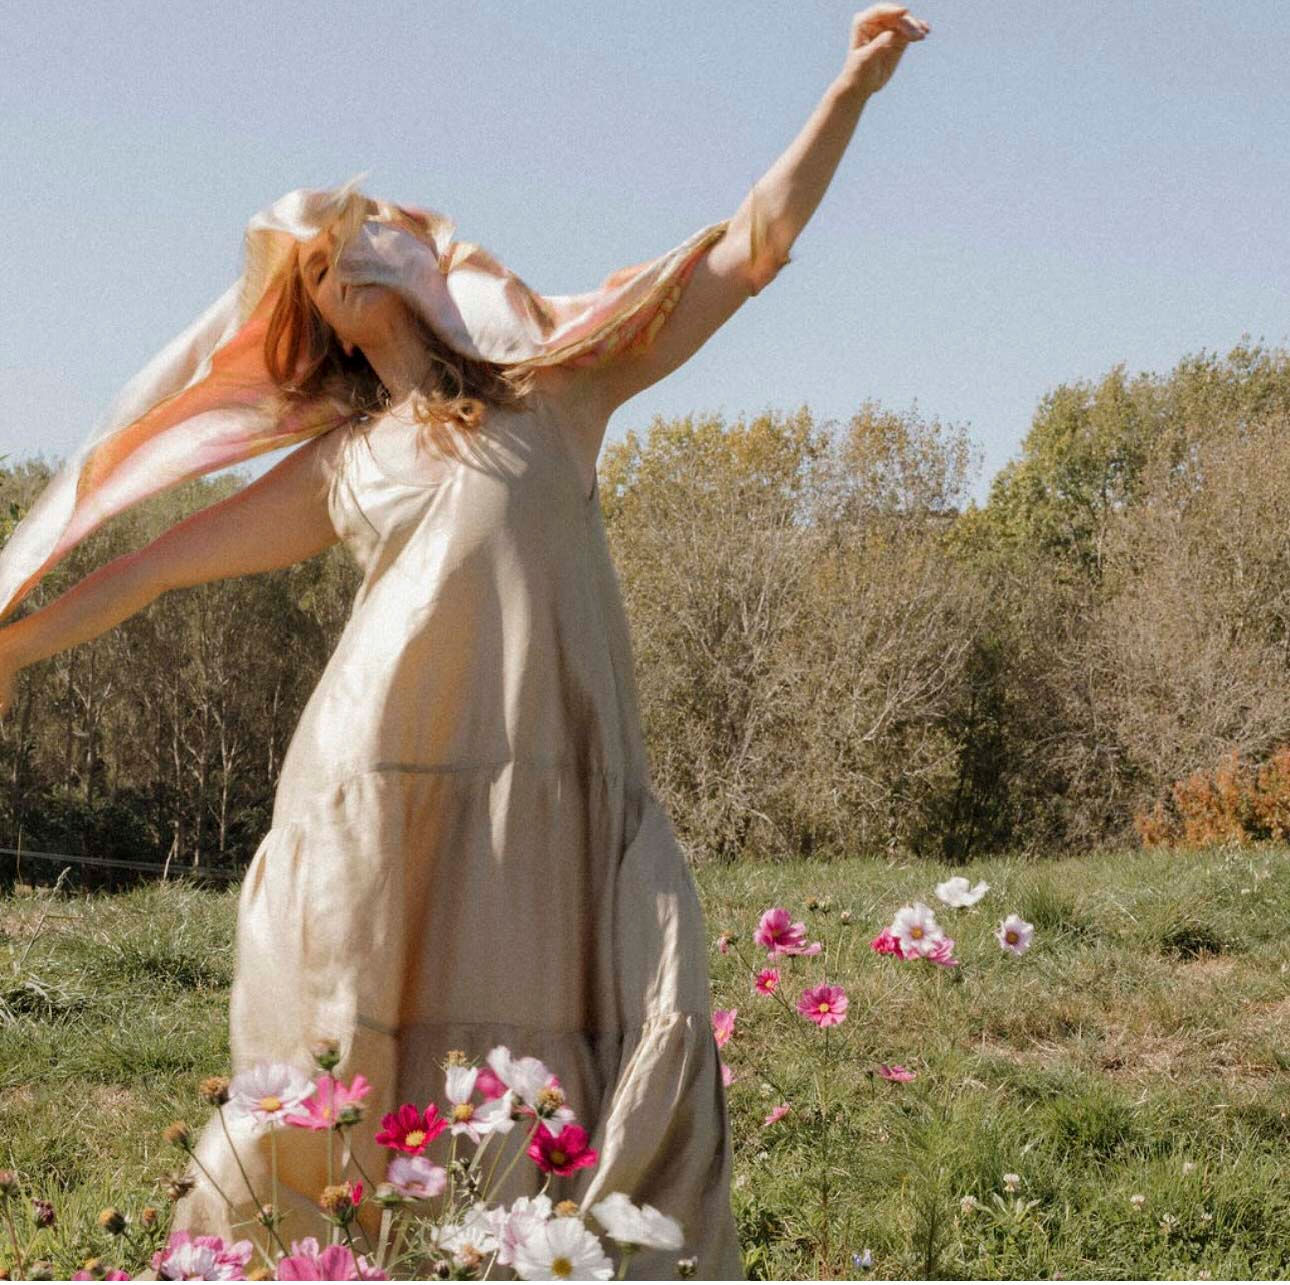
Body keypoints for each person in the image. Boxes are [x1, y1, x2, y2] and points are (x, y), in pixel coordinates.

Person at [0, 6, 929, 1277]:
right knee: (360, 1035)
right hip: (377, 781)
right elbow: (152, 568)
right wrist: (14, 647)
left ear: (423, 266)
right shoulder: (341, 464)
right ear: (320, 317)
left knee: (571, 1028)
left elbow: (746, 248)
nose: (349, 254)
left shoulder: (559, 393)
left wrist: (851, 90)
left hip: (552, 783)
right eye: (322, 258)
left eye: (367, 232)